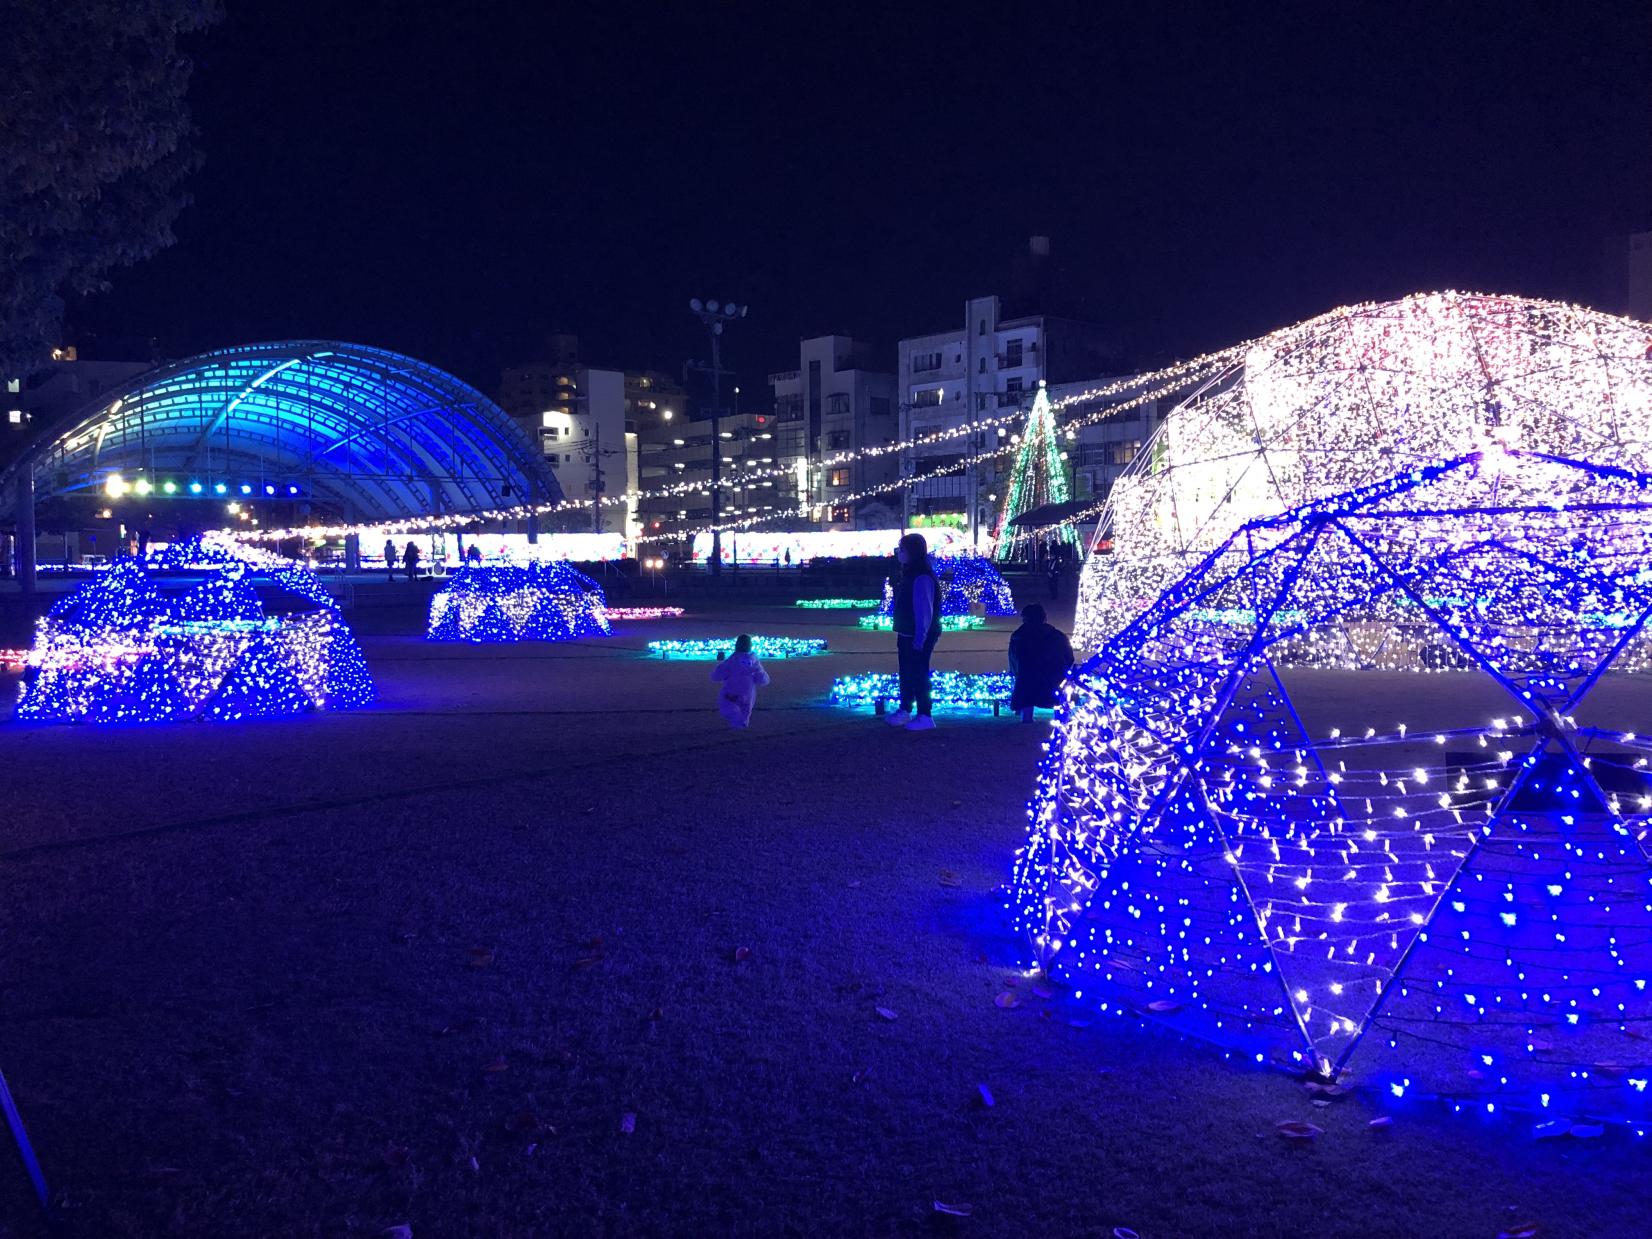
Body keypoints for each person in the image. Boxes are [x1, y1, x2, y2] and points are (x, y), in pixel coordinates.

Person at [887, 531, 942, 731]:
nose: (898, 553)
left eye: (902, 549)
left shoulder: (921, 577)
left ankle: (925, 714)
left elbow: (924, 611)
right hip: (907, 632)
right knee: (907, 672)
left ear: (912, 552)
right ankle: (905, 709)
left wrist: (920, 638)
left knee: (918, 673)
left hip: (917, 634)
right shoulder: (910, 574)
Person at [1008, 602, 1075, 722]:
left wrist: (1016, 672)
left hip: (1027, 677)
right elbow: (1068, 656)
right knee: (1056, 693)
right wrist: (1062, 670)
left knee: (1026, 691)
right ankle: (1059, 718)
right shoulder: (1057, 636)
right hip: (1052, 677)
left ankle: (1027, 718)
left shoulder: (1019, 637)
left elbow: (1013, 658)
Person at [710, 634, 771, 729]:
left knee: (730, 710)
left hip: (730, 694)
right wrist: (758, 672)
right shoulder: (755, 664)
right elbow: (763, 680)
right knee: (743, 715)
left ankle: (738, 723)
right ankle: (742, 724)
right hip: (747, 696)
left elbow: (716, 676)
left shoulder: (731, 662)